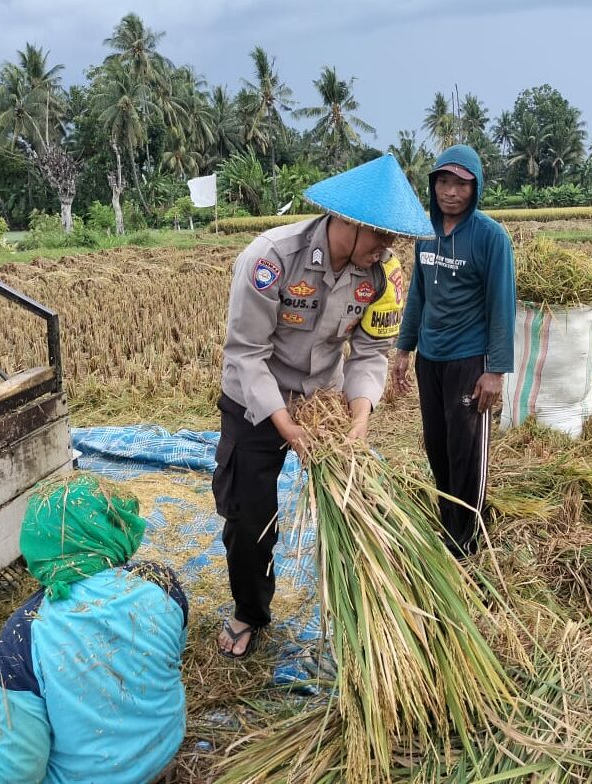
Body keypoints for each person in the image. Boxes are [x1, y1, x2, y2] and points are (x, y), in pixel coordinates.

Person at [214, 155, 433, 658]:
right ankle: (250, 611)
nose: (387, 249)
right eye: (381, 236)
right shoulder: (271, 259)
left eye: (393, 241)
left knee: (356, 506)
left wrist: (359, 416)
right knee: (250, 517)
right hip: (256, 399)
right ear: (350, 224)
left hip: (323, 400)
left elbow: (372, 352)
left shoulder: (382, 275)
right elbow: (246, 353)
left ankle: (363, 618)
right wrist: (284, 424)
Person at [0, 473, 188, 784]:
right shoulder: (162, 583)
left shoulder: (25, 632)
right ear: (116, 529)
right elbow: (169, 660)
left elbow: (20, 769)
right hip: (162, 753)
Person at [392, 144, 516, 557]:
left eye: (461, 184)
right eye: (443, 182)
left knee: (467, 449)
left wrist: (495, 370)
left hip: (469, 360)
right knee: (437, 444)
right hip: (431, 358)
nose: (451, 192)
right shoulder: (425, 235)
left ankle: (469, 539)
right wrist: (404, 349)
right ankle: (450, 525)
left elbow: (502, 303)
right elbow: (417, 294)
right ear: (433, 186)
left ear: (475, 187)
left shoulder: (490, 237)